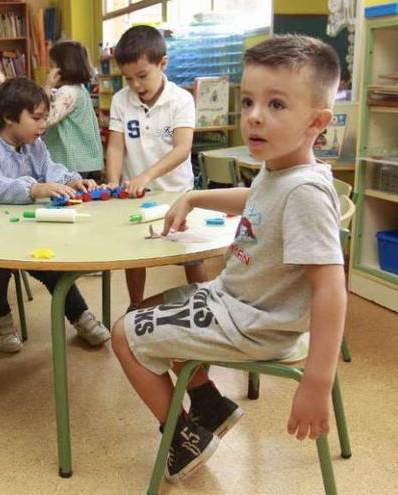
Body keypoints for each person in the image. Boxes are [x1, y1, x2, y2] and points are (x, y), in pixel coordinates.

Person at [110, 35, 347, 483]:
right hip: (233, 302)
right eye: (250, 101)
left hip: (254, 324)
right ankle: (210, 404)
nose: (255, 117)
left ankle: (183, 438)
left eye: (276, 105)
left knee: (123, 335)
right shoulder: (279, 169)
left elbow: (331, 289)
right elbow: (256, 198)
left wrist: (318, 379)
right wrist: (196, 195)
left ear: (317, 122)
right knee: (143, 311)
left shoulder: (306, 193)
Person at [0, 77, 110, 353]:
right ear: (9, 117)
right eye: (37, 117)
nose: (43, 124)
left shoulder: (34, 145)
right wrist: (36, 188)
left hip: (24, 234)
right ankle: (0, 320)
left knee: (51, 266)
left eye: (44, 117)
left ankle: (81, 316)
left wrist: (71, 180)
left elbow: (50, 169)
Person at [105, 25, 207, 311]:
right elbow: (115, 146)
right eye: (128, 79)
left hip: (176, 194)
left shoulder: (181, 100)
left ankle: (203, 306)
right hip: (135, 196)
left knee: (191, 255)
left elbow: (182, 148)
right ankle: (135, 306)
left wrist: (147, 174)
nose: (136, 85)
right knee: (135, 255)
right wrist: (113, 182)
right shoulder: (120, 100)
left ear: (163, 64)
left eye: (142, 76)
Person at [43, 40, 103, 180]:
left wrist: (46, 86)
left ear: (61, 69)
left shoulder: (67, 92)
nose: (48, 70)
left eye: (51, 66)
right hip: (84, 161)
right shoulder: (80, 89)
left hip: (71, 162)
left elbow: (46, 118)